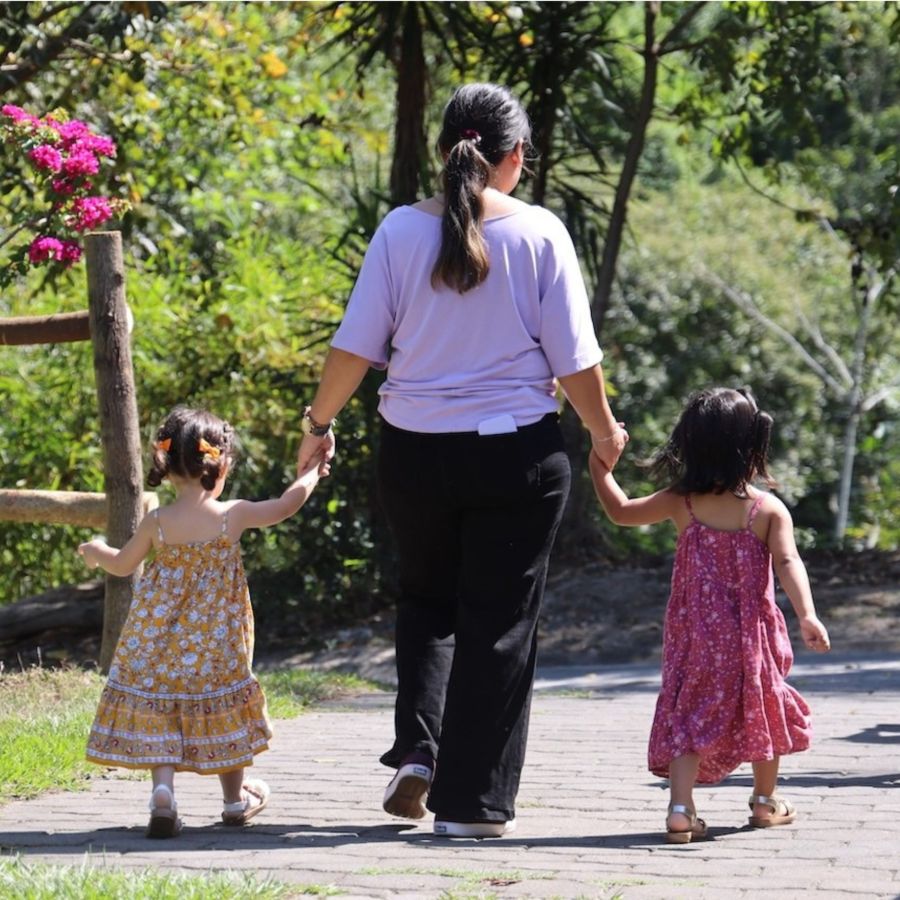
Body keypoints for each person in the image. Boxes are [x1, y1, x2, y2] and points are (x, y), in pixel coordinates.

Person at [296, 83, 627, 838]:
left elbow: (354, 348)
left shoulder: (397, 232)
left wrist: (319, 423)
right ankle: (471, 808)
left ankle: (420, 747)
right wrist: (604, 431)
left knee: (425, 601)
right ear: (513, 158)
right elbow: (574, 362)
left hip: (413, 454)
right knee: (500, 622)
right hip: (515, 456)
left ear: (446, 149)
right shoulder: (540, 233)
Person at [589, 386, 831, 844]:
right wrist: (807, 615)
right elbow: (788, 563)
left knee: (688, 710)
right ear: (753, 445)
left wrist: (599, 468)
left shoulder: (683, 501)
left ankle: (681, 809)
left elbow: (621, 512)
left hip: (695, 636)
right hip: (752, 637)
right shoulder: (766, 509)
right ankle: (764, 801)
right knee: (763, 703)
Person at [78, 405, 328, 838]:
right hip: (217, 644)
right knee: (223, 706)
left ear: (167, 465)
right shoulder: (232, 515)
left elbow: (121, 565)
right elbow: (287, 505)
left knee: (162, 709)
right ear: (221, 462)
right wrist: (314, 471)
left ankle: (163, 793)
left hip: (157, 642)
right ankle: (234, 800)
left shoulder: (157, 522)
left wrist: (95, 549)